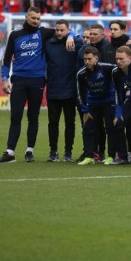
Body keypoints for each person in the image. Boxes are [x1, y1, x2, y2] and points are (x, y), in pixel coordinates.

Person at [0, 7, 75, 163]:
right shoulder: (15, 35)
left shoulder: (44, 33)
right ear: (26, 17)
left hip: (37, 80)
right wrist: (4, 79)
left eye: (38, 19)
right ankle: (10, 153)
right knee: (16, 116)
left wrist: (71, 35)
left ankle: (29, 151)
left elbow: (64, 31)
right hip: (18, 79)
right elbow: (6, 59)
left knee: (33, 117)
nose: (36, 21)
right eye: (33, 18)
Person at [76, 46, 128, 165]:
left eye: (89, 59)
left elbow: (121, 74)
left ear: (96, 58)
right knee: (88, 129)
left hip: (108, 102)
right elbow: (81, 93)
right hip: (92, 103)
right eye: (85, 59)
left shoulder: (107, 68)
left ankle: (110, 156)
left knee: (110, 128)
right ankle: (89, 156)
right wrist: (85, 110)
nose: (87, 62)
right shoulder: (81, 73)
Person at [45, 19, 81, 163]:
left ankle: (68, 152)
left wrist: (72, 36)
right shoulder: (48, 43)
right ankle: (53, 152)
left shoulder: (75, 43)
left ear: (68, 30)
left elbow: (83, 40)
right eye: (57, 30)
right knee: (52, 123)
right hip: (53, 89)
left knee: (70, 123)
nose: (59, 33)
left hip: (70, 90)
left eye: (62, 30)